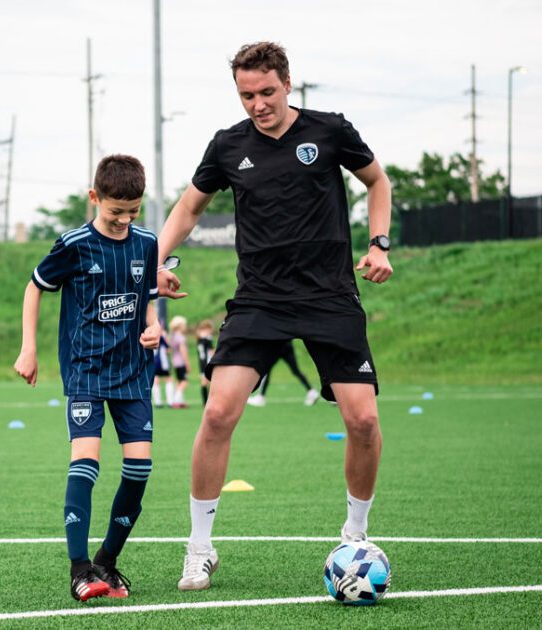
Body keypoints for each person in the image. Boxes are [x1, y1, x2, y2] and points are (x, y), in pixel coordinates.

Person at [156, 42, 394, 591]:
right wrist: (160, 261)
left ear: (288, 83)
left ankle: (355, 535)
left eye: (266, 92)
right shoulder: (227, 145)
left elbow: (377, 181)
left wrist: (378, 244)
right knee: (217, 413)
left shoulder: (329, 130)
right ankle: (199, 547)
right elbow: (189, 208)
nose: (258, 104)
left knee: (363, 421)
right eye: (246, 95)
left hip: (330, 295)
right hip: (259, 300)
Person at [13, 154, 162, 603]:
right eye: (115, 211)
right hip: (86, 370)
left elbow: (147, 298)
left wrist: (153, 326)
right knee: (87, 461)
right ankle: (80, 571)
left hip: (133, 371)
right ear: (95, 198)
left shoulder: (147, 243)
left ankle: (108, 562)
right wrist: (29, 347)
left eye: (132, 211)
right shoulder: (74, 244)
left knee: (139, 469)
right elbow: (35, 286)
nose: (123, 220)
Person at [246, 340, 320, 407]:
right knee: (296, 370)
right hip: (287, 344)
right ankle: (311, 391)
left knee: (266, 370)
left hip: (276, 345)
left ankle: (260, 397)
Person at [167, 316, 191, 408]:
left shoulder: (172, 336)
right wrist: (187, 364)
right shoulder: (180, 337)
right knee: (184, 381)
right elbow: (183, 352)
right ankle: (176, 400)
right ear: (180, 326)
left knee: (179, 381)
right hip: (181, 362)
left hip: (175, 362)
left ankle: (180, 400)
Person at [151, 325, 171, 408]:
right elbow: (168, 349)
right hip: (162, 362)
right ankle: (171, 401)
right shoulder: (161, 337)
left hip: (153, 361)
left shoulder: (150, 336)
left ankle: (158, 402)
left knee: (156, 380)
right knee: (168, 379)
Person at [196, 320, 215, 406]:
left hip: (201, 362)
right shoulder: (207, 339)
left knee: (204, 382)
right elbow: (211, 351)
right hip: (208, 362)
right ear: (207, 328)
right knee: (211, 382)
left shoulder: (199, 338)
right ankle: (210, 401)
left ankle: (205, 402)